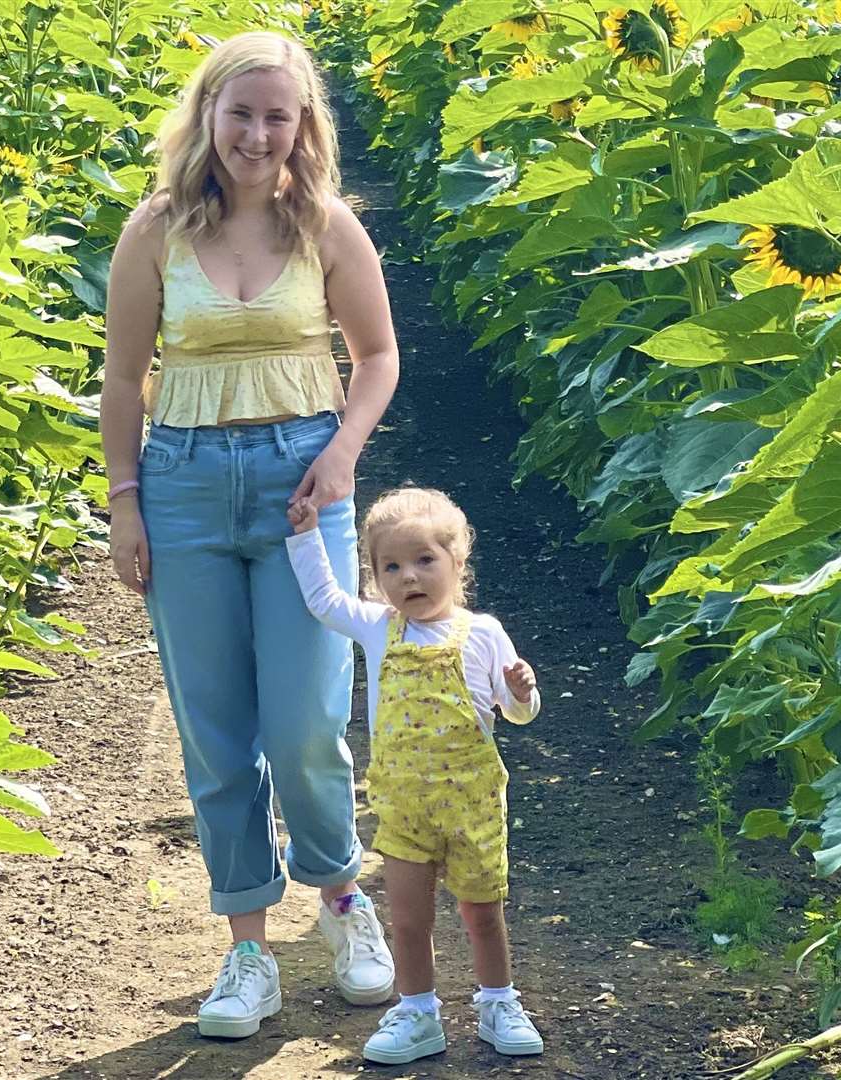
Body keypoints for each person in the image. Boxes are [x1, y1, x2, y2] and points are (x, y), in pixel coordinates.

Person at [100, 30, 400, 1039]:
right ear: (208, 117)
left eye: (278, 116)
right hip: (182, 487)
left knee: (306, 724)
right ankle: (245, 952)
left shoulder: (324, 227)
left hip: (299, 489)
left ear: (301, 125)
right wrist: (125, 501)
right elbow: (120, 379)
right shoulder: (154, 231)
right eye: (241, 114)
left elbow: (378, 354)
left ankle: (344, 906)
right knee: (217, 734)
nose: (258, 134)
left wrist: (343, 451)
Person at [286, 487, 545, 1064]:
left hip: (473, 802)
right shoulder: (380, 628)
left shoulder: (482, 633)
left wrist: (524, 693)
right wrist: (304, 536)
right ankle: (417, 1011)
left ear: (457, 562)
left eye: (424, 560)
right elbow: (325, 600)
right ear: (377, 578)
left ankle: (499, 1001)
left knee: (482, 911)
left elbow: (515, 711)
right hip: (403, 804)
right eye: (392, 567)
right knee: (407, 917)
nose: (409, 578)